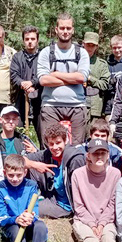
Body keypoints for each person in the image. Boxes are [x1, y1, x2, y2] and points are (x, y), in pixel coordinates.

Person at [37, 13, 90, 144]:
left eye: (68, 28)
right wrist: (71, 79)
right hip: (50, 106)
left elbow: (81, 77)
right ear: (56, 30)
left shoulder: (82, 53)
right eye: (62, 28)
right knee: (51, 147)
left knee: (77, 149)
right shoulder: (46, 52)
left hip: (77, 106)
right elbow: (43, 81)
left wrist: (55, 74)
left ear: (73, 30)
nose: (65, 32)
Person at [24, 123, 85, 218]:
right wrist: (34, 165)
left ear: (65, 141)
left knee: (26, 208)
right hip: (53, 195)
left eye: (58, 143)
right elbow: (16, 160)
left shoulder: (75, 159)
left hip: (64, 205)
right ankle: (31, 196)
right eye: (51, 144)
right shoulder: (49, 153)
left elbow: (83, 189)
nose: (55, 147)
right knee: (27, 167)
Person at [10, 25, 42, 137]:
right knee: (19, 133)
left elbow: (46, 75)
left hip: (40, 101)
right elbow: (14, 75)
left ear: (37, 40)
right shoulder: (17, 57)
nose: (30, 42)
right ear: (23, 40)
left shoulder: (43, 56)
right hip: (21, 100)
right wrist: (22, 83)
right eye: (27, 39)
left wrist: (33, 83)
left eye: (33, 39)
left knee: (43, 135)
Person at [82, 32, 110, 123]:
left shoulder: (101, 65)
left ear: (96, 46)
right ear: (83, 44)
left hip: (95, 107)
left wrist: (90, 79)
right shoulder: (76, 61)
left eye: (92, 45)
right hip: (78, 105)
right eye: (88, 45)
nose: (90, 48)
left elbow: (105, 84)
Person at [104, 35, 122, 118]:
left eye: (119, 47)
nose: (117, 50)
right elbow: (104, 84)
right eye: (114, 48)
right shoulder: (107, 64)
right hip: (110, 103)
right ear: (111, 48)